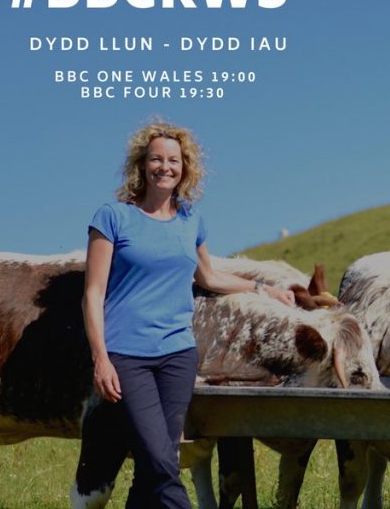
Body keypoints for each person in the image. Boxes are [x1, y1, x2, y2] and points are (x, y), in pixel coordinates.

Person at [82, 122, 294, 508]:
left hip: (178, 355)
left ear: (186, 168)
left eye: (174, 160)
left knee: (156, 462)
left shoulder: (190, 220)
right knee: (162, 461)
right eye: (157, 159)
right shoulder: (113, 217)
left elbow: (208, 276)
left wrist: (264, 289)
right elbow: (93, 293)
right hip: (128, 355)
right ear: (142, 165)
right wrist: (101, 358)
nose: (165, 167)